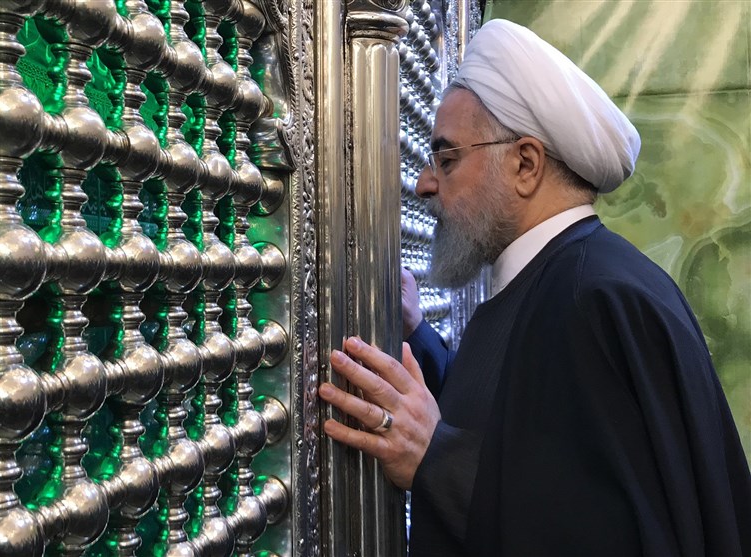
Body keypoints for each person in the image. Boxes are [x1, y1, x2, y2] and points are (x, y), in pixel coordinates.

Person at [319, 18, 751, 557]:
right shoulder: (559, 278)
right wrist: (416, 334)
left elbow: (613, 534)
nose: (426, 183)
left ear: (525, 164)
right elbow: (517, 427)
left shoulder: (597, 301)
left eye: (447, 159)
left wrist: (437, 461)